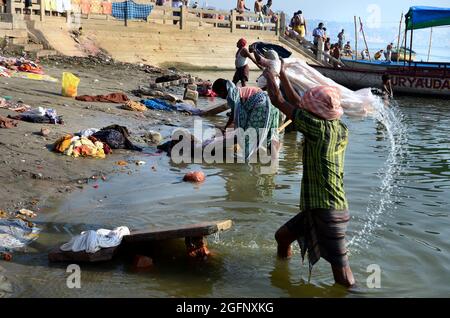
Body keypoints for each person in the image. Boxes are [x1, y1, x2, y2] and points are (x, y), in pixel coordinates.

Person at [263, 63, 355, 288]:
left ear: (317, 113)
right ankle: (282, 277)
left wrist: (269, 74)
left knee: (343, 276)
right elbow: (297, 104)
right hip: (321, 207)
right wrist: (282, 73)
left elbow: (278, 101)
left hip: (329, 210)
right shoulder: (339, 127)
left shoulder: (317, 129)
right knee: (282, 237)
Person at [212, 78, 280, 159]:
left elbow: (236, 118)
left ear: (222, 91)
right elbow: (234, 115)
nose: (219, 97)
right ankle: (275, 164)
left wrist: (228, 132)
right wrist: (226, 128)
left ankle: (245, 165)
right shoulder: (238, 91)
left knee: (248, 136)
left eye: (218, 94)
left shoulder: (232, 95)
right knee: (270, 136)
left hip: (261, 107)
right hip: (272, 106)